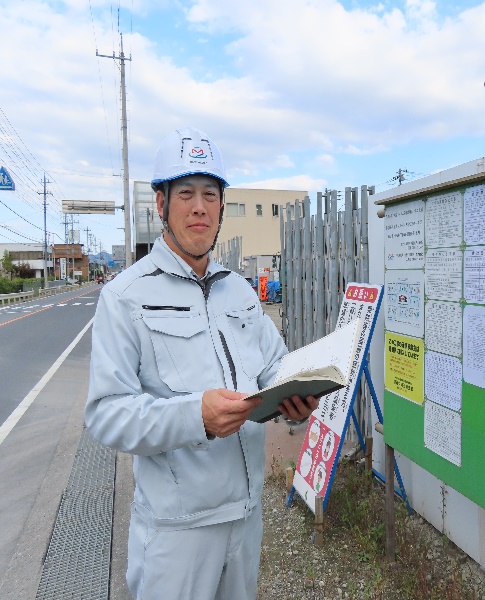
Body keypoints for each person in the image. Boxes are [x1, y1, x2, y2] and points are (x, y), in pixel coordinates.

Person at [85, 126, 318, 600]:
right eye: (185, 193)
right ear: (161, 202)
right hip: (177, 532)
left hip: (247, 516)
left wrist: (293, 397)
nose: (199, 207)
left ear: (221, 206)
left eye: (210, 195)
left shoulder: (238, 290)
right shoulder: (125, 297)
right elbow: (106, 414)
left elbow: (273, 366)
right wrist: (197, 417)